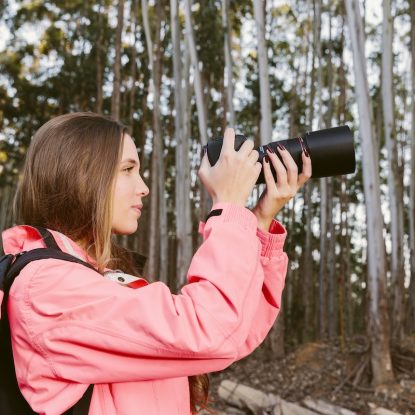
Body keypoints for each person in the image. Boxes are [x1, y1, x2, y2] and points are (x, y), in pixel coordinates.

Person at [1, 112, 311, 415]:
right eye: (127, 170)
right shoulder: (48, 287)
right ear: (81, 173)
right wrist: (228, 209)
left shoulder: (92, 278)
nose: (143, 187)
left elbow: (233, 335)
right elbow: (209, 331)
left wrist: (259, 222)